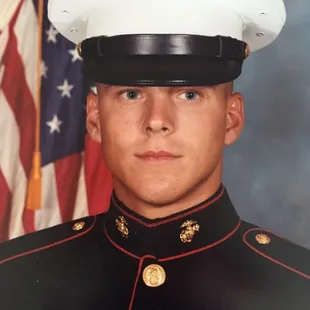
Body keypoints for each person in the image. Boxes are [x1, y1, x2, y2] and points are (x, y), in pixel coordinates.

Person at [1, 0, 310, 309]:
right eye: (131, 94)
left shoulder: (300, 290)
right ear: (95, 118)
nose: (157, 121)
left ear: (231, 119)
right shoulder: (12, 280)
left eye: (189, 94)